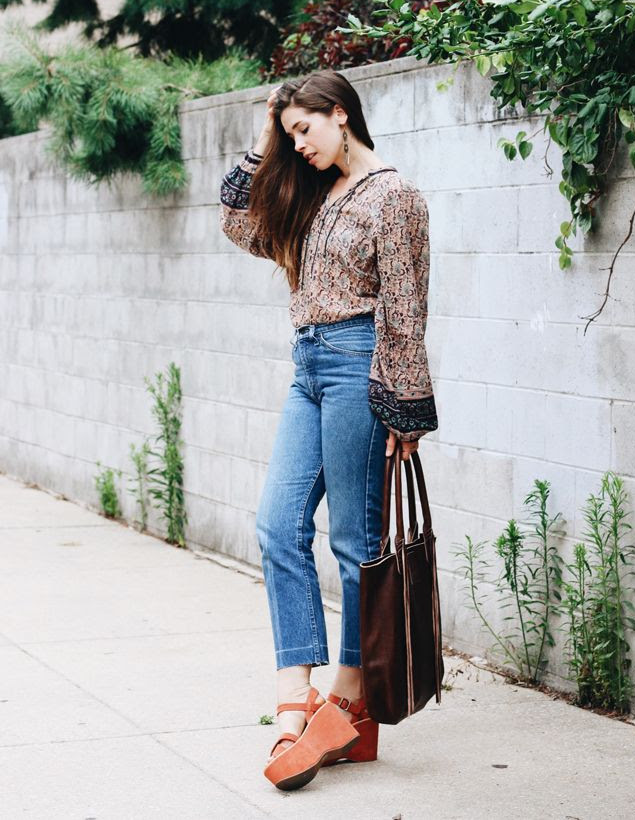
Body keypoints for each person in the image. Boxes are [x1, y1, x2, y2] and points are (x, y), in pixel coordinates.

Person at [219, 69, 438, 790]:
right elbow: (241, 224)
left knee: (353, 541)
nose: (299, 145)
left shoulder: (393, 196)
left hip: (357, 365)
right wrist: (268, 131)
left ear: (341, 114)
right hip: (308, 364)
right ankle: (295, 700)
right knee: (277, 525)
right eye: (290, 135)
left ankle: (347, 700)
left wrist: (405, 410)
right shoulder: (315, 192)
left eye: (305, 129)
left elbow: (405, 307)